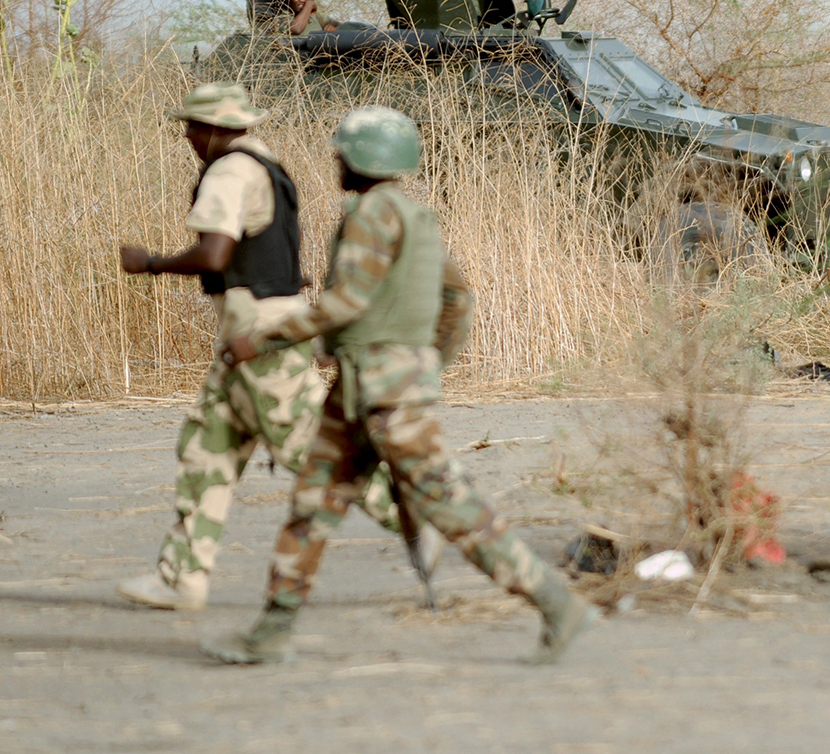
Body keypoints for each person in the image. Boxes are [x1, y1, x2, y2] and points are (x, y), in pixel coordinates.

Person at [204, 105, 593, 665]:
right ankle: (270, 630)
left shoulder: (369, 214)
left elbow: (348, 302)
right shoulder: (415, 217)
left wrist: (262, 340)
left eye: (342, 152)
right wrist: (429, 362)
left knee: (447, 504)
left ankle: (558, 605)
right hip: (362, 390)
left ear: (363, 159)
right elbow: (459, 300)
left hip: (382, 397)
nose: (335, 159)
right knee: (314, 503)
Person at [116, 82, 433, 611]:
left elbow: (215, 255)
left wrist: (149, 263)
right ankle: (181, 578)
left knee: (309, 452)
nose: (189, 137)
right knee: (205, 448)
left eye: (193, 127)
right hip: (258, 326)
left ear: (217, 128)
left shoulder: (228, 170)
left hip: (256, 333)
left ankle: (422, 521)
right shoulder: (267, 164)